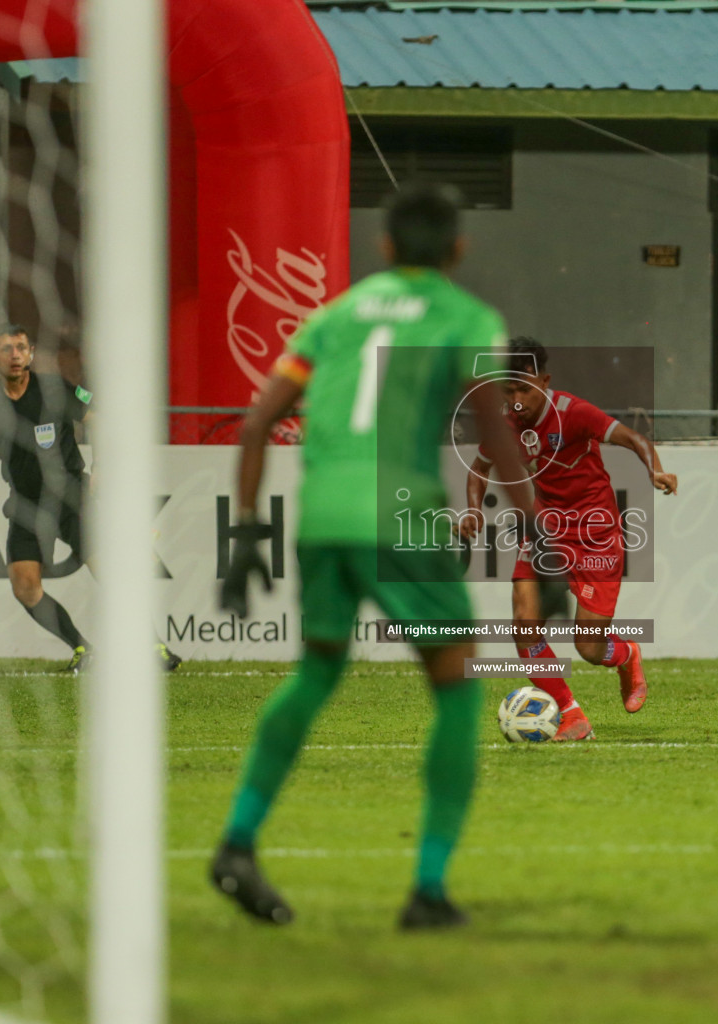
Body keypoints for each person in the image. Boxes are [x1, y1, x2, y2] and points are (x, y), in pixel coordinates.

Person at [211, 182, 550, 930]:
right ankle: (428, 889)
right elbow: (494, 437)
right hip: (402, 518)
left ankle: (237, 839)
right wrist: (538, 539)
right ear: (458, 249)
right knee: (458, 685)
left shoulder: (333, 317)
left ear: (385, 247)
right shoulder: (467, 318)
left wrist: (243, 532)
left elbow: (255, 425)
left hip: (324, 515)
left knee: (319, 669)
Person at [459, 337, 678, 742]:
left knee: (589, 648)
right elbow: (479, 468)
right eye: (508, 390)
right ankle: (572, 715)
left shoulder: (573, 413)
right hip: (546, 533)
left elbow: (634, 439)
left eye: (524, 388)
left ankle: (626, 654)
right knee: (525, 623)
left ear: (544, 381)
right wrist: (473, 509)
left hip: (597, 536)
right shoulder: (505, 422)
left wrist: (655, 471)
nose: (516, 399)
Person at [0, 325, 182, 674]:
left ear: (31, 353)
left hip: (71, 496)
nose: (15, 355)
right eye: (7, 349)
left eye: (21, 348)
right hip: (26, 503)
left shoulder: (54, 388)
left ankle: (154, 646)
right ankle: (83, 649)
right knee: (24, 587)